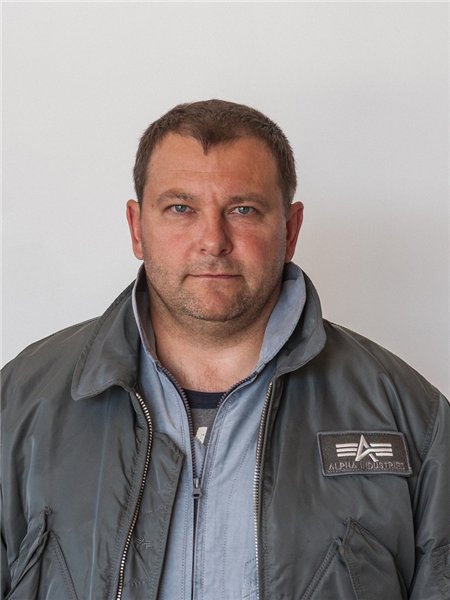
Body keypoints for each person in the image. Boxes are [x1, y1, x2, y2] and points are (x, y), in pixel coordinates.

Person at [1, 99, 449, 600]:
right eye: (181, 208)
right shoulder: (20, 404)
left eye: (243, 210)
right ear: (136, 228)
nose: (213, 241)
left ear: (290, 229)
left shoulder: (412, 417)